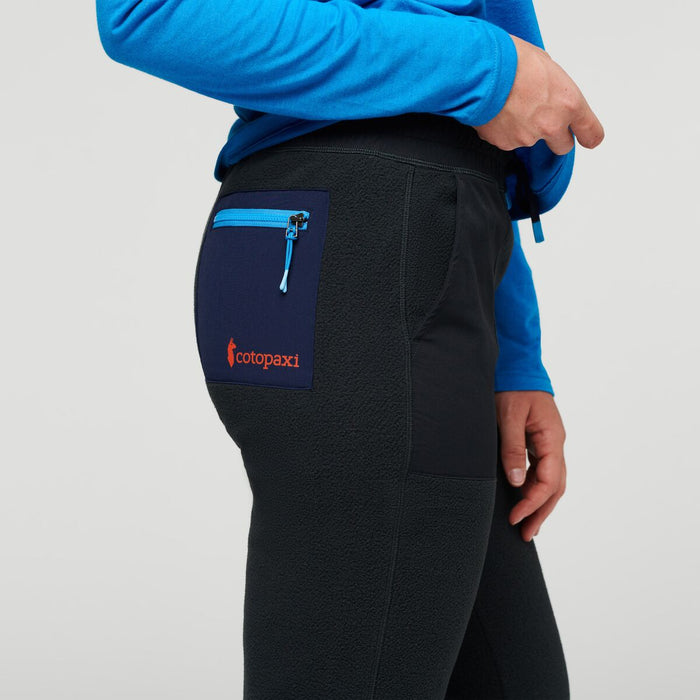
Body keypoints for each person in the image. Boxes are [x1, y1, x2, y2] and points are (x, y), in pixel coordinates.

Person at [96, 1, 604, 697]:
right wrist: (484, 67)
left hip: (429, 247)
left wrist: (514, 355)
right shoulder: (467, 70)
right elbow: (147, 14)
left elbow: (470, 133)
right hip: (360, 241)